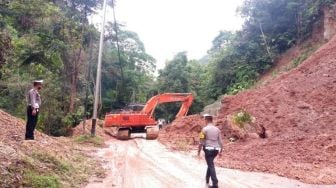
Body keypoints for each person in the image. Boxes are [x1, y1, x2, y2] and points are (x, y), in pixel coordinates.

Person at [198, 114, 223, 188]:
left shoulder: (204, 129)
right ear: (212, 120)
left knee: (211, 165)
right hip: (216, 150)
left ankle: (215, 184)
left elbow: (201, 141)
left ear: (206, 120)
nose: (204, 121)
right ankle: (207, 179)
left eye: (204, 120)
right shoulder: (217, 129)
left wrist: (198, 151)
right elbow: (220, 142)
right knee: (210, 164)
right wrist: (221, 151)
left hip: (208, 150)